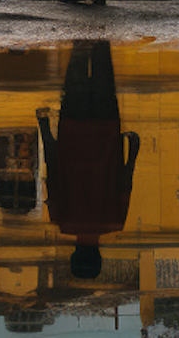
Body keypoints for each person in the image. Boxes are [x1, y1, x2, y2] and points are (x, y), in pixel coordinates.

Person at [36, 40, 139, 279]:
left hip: (106, 131)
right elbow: (53, 172)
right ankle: (81, 25)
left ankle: (100, 23)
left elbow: (125, 183)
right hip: (72, 128)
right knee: (78, 64)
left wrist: (133, 150)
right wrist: (44, 128)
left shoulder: (115, 222)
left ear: (98, 256)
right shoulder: (62, 221)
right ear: (74, 255)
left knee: (103, 65)